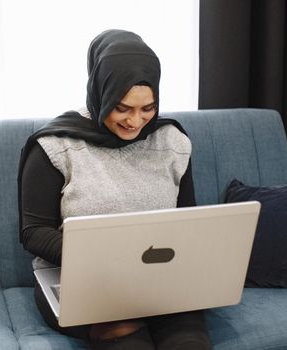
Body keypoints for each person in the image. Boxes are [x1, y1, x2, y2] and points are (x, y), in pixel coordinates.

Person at [18, 29, 211, 350]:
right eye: (122, 108)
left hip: (158, 277)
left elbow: (185, 220)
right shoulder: (55, 145)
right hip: (80, 279)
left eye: (147, 108)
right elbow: (33, 232)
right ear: (100, 92)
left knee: (188, 338)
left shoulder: (173, 142)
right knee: (124, 333)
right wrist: (103, 259)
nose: (136, 121)